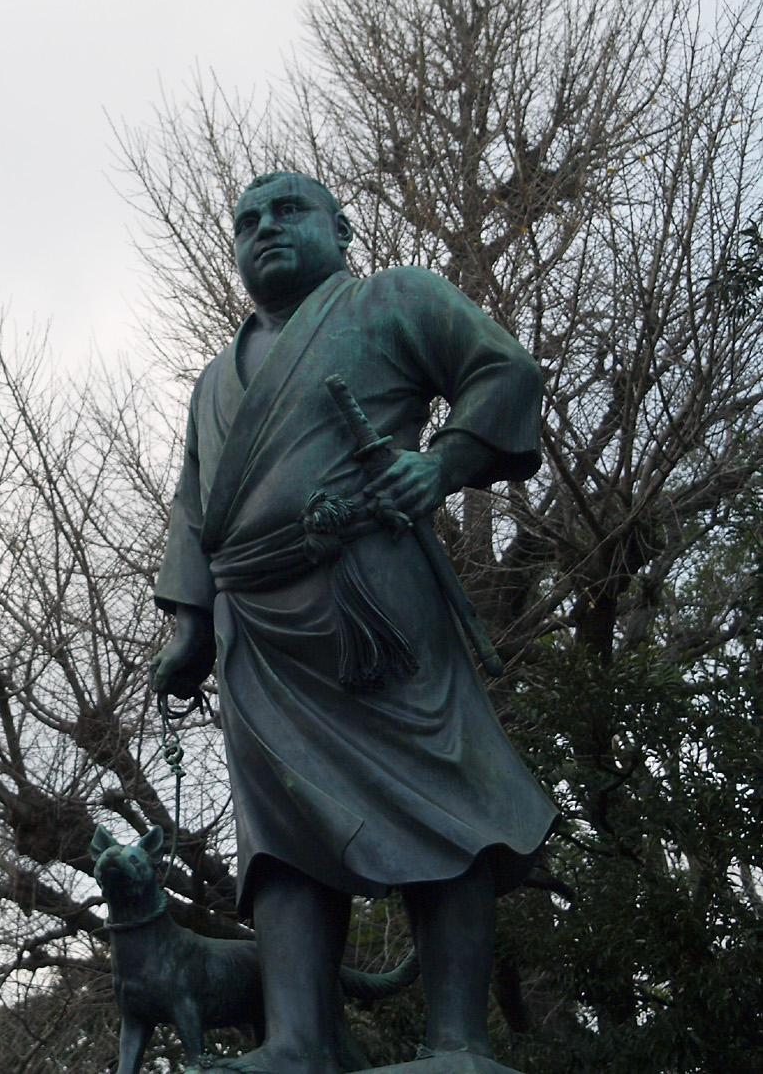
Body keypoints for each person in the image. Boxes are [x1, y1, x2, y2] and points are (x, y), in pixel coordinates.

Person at [149, 171, 556, 1074]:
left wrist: (443, 463)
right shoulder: (216, 382)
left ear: (342, 226)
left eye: (288, 212)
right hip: (255, 626)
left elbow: (506, 369)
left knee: (441, 794)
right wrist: (187, 624)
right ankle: (297, 1038)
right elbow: (193, 509)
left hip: (372, 596)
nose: (265, 230)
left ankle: (457, 1039)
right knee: (282, 829)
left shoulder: (395, 297)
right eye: (247, 220)